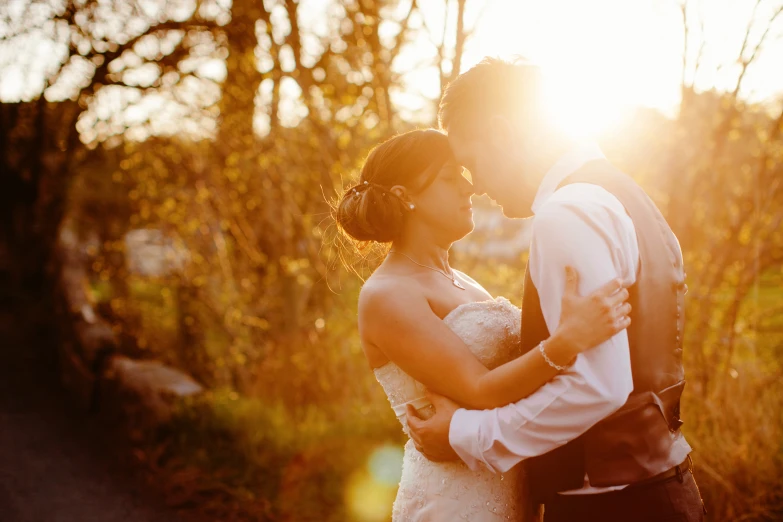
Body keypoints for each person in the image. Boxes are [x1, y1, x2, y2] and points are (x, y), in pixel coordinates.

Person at [406, 58, 705, 522]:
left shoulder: (566, 212)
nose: (478, 185)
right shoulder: (626, 196)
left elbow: (597, 387)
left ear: (503, 133)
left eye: (473, 163)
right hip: (662, 490)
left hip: (613, 508)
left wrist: (464, 433)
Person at [335, 128, 631, 521]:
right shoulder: (387, 295)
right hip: (453, 500)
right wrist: (565, 343)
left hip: (508, 487)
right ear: (406, 197)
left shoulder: (463, 281)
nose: (468, 188)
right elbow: (479, 391)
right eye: (449, 177)